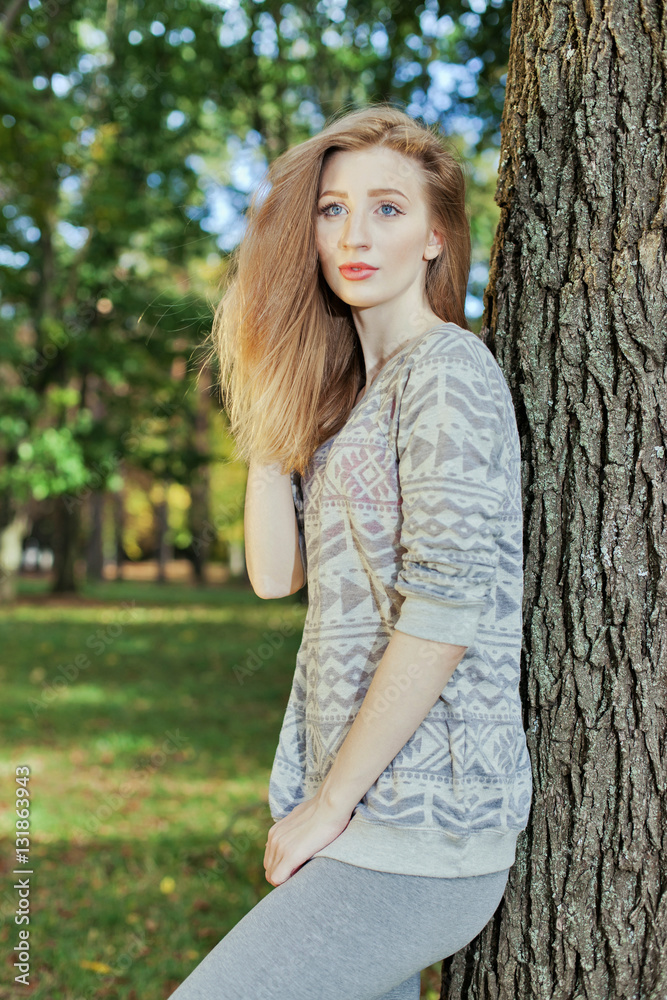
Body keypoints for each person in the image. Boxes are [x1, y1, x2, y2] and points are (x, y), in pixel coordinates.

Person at [168, 102, 532, 1000]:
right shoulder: (350, 407)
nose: (354, 234)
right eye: (331, 209)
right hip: (356, 815)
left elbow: (445, 613)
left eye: (387, 208)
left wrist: (329, 806)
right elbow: (272, 575)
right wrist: (269, 412)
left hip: (416, 832)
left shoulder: (445, 369)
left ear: (437, 239)